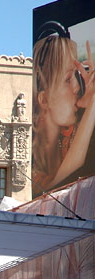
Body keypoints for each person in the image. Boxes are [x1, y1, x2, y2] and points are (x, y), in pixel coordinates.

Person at [32, 33, 95, 197]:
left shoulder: (70, 135)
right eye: (68, 79)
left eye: (77, 75)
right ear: (44, 99)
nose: (77, 87)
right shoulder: (29, 165)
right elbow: (60, 182)